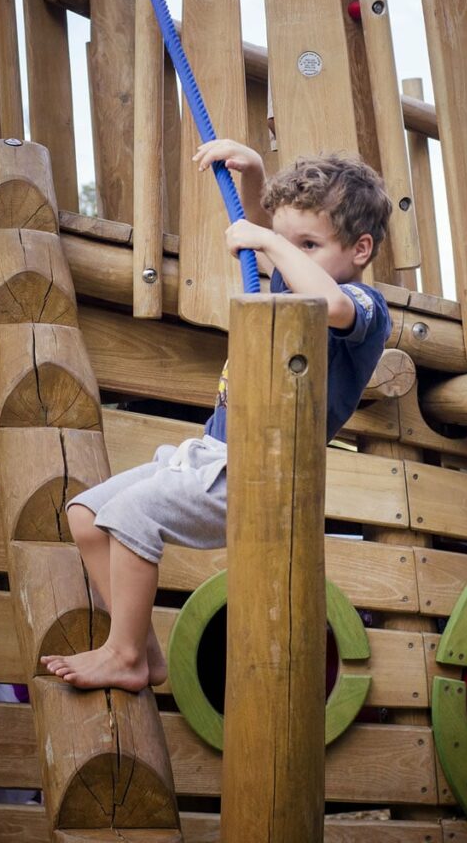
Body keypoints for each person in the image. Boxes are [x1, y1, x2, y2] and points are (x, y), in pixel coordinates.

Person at [42, 139, 392, 692]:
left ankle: (122, 655)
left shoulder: (363, 307)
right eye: (287, 240)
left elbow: (333, 304)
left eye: (307, 243)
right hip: (212, 455)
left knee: (132, 517)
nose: (283, 253)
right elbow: (264, 226)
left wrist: (271, 239)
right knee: (87, 514)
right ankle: (142, 653)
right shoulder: (294, 273)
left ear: (361, 249)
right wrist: (253, 172)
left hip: (262, 475)